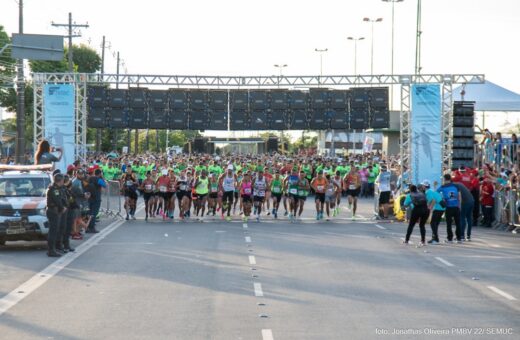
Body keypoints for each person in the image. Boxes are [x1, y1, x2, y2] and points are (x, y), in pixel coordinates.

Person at [46, 173, 67, 257]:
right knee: (53, 232)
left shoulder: (58, 188)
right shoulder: (54, 189)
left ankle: (55, 248)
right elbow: (57, 200)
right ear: (60, 180)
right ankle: (51, 250)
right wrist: (62, 208)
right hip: (53, 211)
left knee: (56, 230)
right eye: (62, 180)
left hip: (55, 211)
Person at [437, 174, 462, 243]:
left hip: (448, 207)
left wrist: (442, 199)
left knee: (449, 223)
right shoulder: (456, 186)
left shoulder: (442, 187)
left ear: (445, 179)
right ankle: (459, 238)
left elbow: (436, 193)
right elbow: (459, 196)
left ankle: (450, 238)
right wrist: (459, 205)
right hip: (456, 207)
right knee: (458, 223)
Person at [452, 175, 475, 241]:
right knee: (469, 218)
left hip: (465, 202)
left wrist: (458, 206)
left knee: (462, 218)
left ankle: (461, 235)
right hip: (471, 200)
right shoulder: (460, 184)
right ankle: (468, 236)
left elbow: (456, 196)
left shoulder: (454, 186)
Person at [423, 180, 445, 244]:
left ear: (424, 186)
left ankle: (436, 239)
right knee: (435, 224)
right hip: (442, 207)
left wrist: (429, 210)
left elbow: (433, 201)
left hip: (438, 208)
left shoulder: (428, 192)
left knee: (432, 223)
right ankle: (434, 238)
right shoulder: (431, 191)